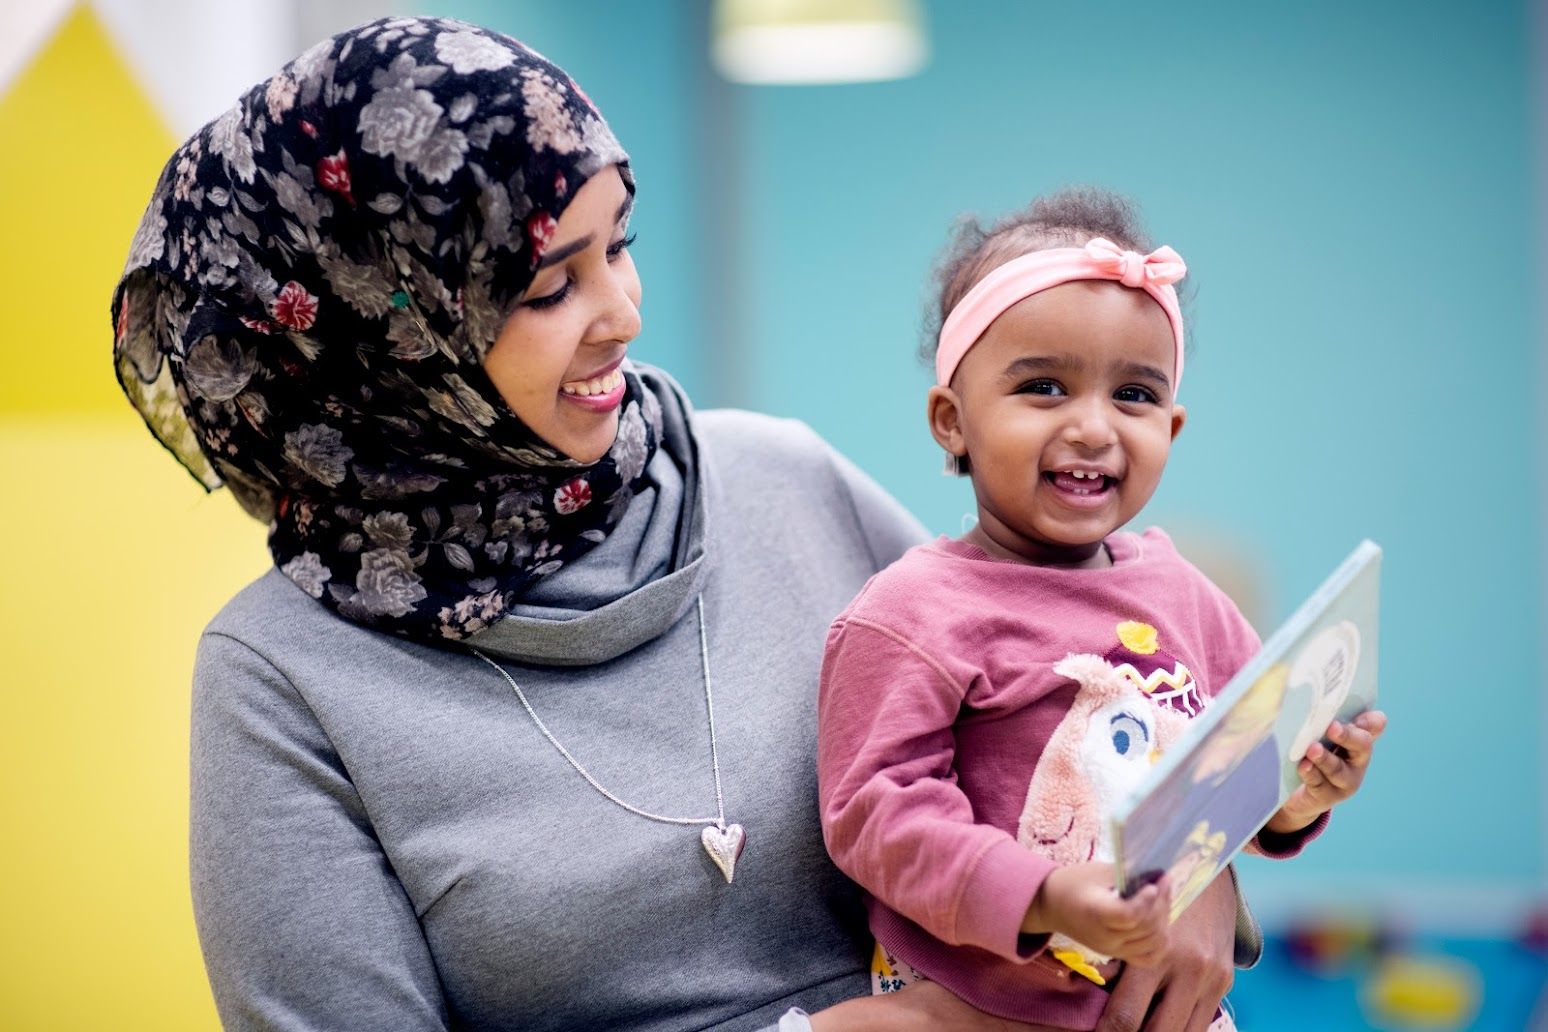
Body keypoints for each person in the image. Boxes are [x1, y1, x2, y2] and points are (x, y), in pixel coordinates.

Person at [113, 18, 1265, 1031]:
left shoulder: (780, 476)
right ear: (388, 335)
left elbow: (1069, 700)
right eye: (548, 286)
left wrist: (1202, 868)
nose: (623, 312)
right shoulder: (284, 677)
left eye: (619, 243)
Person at [816, 191, 1389, 1031]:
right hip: (969, 1003)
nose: (1094, 427)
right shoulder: (911, 611)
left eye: (1134, 396)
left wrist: (1302, 791)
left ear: (1173, 426)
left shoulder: (1183, 592)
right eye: (1044, 387)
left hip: (1162, 1007)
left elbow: (1234, 788)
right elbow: (878, 817)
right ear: (952, 422)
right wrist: (1043, 894)